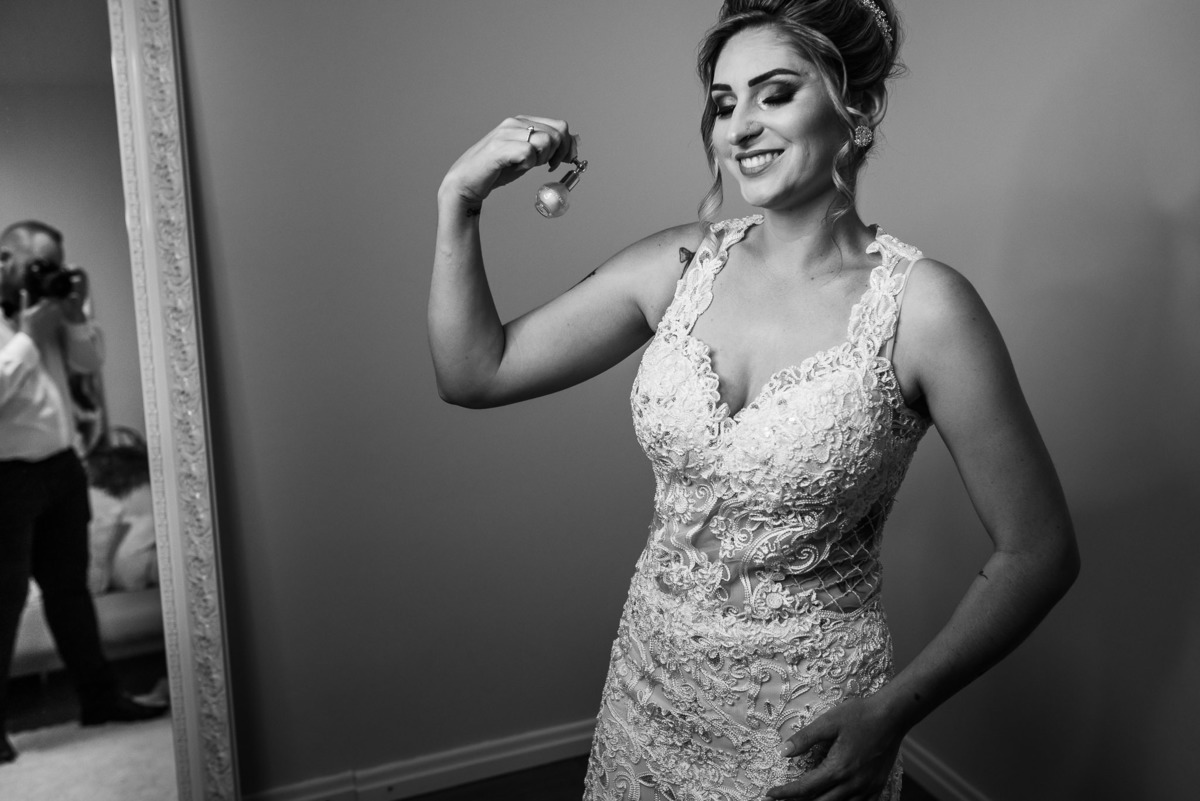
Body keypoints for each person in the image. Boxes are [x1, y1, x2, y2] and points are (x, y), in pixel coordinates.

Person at [428, 1, 1080, 798]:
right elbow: (475, 372)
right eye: (724, 103)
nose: (739, 127)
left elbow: (1038, 551)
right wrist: (459, 199)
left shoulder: (926, 309)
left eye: (775, 94)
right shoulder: (676, 267)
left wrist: (892, 712)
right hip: (648, 690)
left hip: (804, 725)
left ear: (858, 106)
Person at [0, 220, 165, 766]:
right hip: (5, 479)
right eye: (38, 265)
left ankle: (101, 700)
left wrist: (72, 318)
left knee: (70, 593)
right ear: (4, 260)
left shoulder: (50, 313)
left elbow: (89, 364)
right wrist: (28, 335)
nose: (47, 275)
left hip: (61, 469)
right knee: (3, 601)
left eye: (55, 265)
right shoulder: (26, 326)